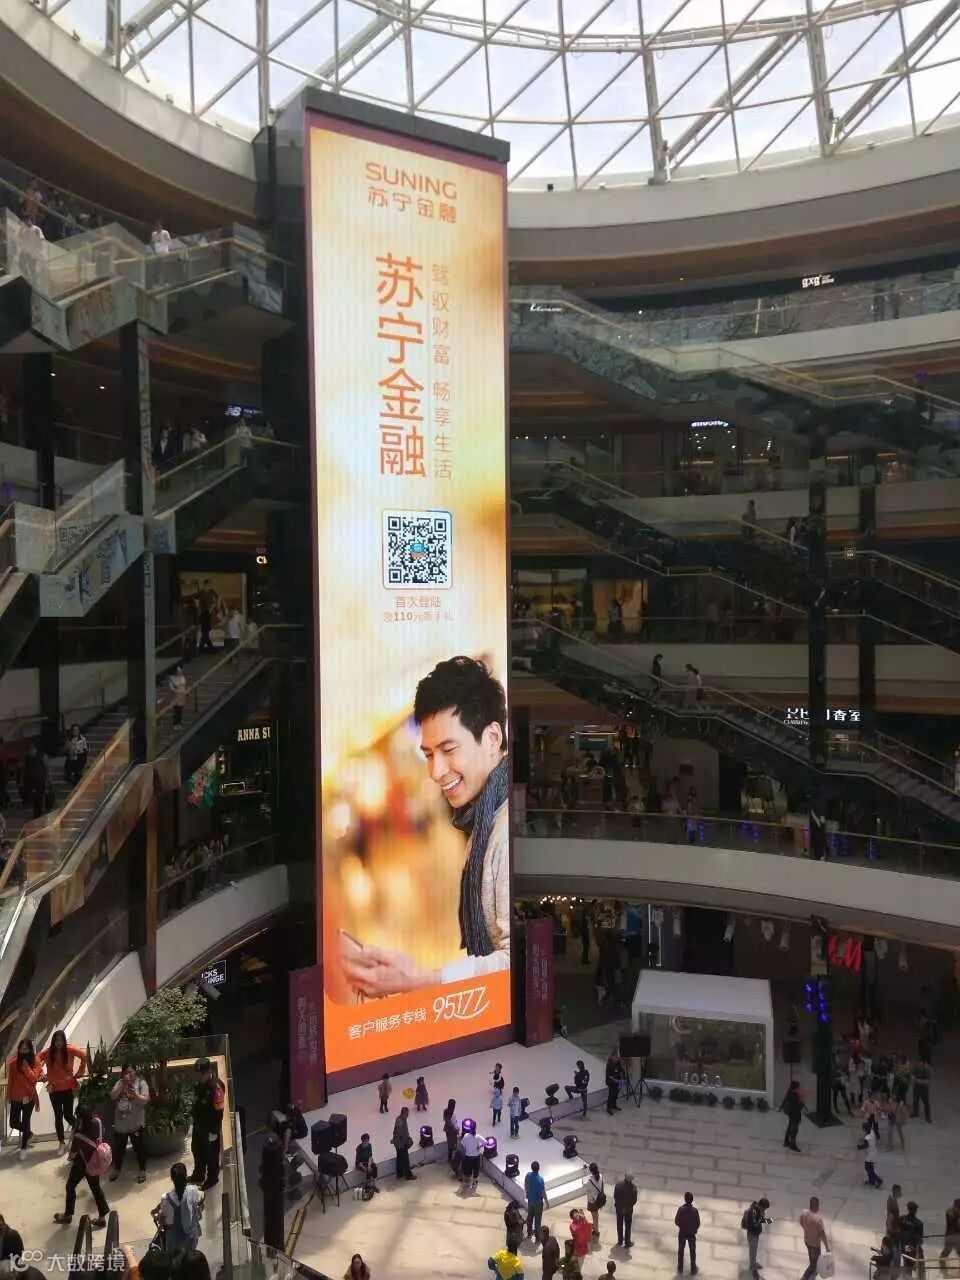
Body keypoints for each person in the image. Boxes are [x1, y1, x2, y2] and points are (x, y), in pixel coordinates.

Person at [339, 658, 510, 996]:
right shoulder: (481, 820)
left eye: (448, 750)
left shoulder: (502, 834)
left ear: (492, 738)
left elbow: (512, 963)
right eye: (429, 755)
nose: (436, 772)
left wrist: (420, 979)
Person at [54, 1104, 110, 1227]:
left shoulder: (79, 1135)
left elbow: (72, 1153)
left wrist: (71, 1155)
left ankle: (68, 1215)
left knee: (70, 1186)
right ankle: (102, 1217)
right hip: (96, 1161)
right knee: (96, 1188)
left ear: (79, 1117)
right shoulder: (97, 1122)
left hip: (82, 1163)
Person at [39, 1030, 85, 1155]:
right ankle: (61, 1143)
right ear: (53, 1041)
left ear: (64, 1041)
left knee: (68, 1115)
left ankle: (80, 1132)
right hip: (54, 1089)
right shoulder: (49, 1052)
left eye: (60, 1040)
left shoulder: (70, 1049)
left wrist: (81, 1070)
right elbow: (37, 1059)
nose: (58, 1043)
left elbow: (84, 1055)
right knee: (58, 1115)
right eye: (56, 1040)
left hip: (68, 1088)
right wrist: (41, 1074)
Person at [109, 1062, 150, 1183]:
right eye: (125, 1072)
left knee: (139, 1148)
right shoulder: (120, 1082)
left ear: (135, 1072)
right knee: (119, 1149)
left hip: (136, 1124)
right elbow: (112, 1096)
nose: (128, 1074)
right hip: (121, 1125)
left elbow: (144, 1101)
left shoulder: (141, 1083)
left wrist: (135, 1094)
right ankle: (117, 1169)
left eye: (130, 1072)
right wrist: (123, 1085)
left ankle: (142, 1170)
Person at [189, 1057, 224, 1190]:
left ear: (208, 1071)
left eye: (201, 1074)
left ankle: (212, 1179)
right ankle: (198, 1174)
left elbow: (219, 1113)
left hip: (210, 1129)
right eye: (197, 1074)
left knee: (211, 1156)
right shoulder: (199, 1084)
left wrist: (214, 1132)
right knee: (197, 1151)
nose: (199, 1077)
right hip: (199, 1126)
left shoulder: (216, 1088)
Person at [156, 1162, 203, 1255]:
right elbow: (199, 1209)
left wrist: (158, 1217)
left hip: (174, 1241)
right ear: (185, 1176)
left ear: (172, 1178)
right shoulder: (195, 1191)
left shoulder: (166, 1198)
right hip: (191, 1238)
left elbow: (165, 1222)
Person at [7, 1038, 40, 1159]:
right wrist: (9, 1096)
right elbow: (10, 1081)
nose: (23, 1050)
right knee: (13, 1122)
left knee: (26, 1121)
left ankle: (24, 1147)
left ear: (30, 1049)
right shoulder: (13, 1063)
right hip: (16, 1097)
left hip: (29, 1097)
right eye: (21, 1048)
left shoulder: (35, 1061)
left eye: (26, 1048)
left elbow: (34, 1079)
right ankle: (29, 1133)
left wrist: (26, 1067)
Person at [799, 1195, 830, 1280]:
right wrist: (827, 1247)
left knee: (812, 1260)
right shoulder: (818, 1219)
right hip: (815, 1245)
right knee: (814, 1265)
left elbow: (800, 1222)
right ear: (816, 1206)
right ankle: (805, 1277)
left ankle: (811, 1277)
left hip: (807, 1241)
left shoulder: (804, 1213)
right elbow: (822, 1234)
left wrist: (807, 1230)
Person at [743, 1198, 771, 1280]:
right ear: (761, 1206)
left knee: (754, 1252)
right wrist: (761, 1217)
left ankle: (754, 1263)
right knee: (752, 1252)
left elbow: (759, 1221)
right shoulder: (753, 1212)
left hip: (755, 1234)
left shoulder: (757, 1210)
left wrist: (766, 1220)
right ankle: (753, 1270)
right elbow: (753, 1224)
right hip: (752, 1234)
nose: (765, 1210)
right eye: (764, 1208)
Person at [675, 1190, 700, 1275]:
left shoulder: (681, 1209)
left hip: (682, 1232)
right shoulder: (695, 1210)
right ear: (692, 1200)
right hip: (691, 1233)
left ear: (685, 1199)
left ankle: (680, 1268)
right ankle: (693, 1268)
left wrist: (681, 1226)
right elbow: (698, 1223)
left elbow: (676, 1221)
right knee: (692, 1251)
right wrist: (694, 1229)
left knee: (681, 1250)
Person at [524, 1161, 548, 1240]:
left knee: (530, 1217)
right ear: (539, 1168)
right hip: (538, 1203)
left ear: (532, 1168)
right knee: (537, 1221)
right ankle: (537, 1237)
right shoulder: (540, 1180)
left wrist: (527, 1193)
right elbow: (543, 1192)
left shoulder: (528, 1175)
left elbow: (526, 1184)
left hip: (530, 1202)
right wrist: (547, 1202)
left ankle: (529, 1233)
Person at [613, 1172, 637, 1248]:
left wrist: (619, 1204)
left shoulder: (618, 1185)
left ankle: (620, 1240)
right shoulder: (633, 1188)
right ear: (631, 1179)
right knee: (628, 1226)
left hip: (619, 1209)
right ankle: (627, 1242)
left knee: (619, 1225)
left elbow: (615, 1196)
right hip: (628, 1210)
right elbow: (634, 1201)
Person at [392, 1105, 415, 1181]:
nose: (408, 1115)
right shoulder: (400, 1121)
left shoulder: (400, 1119)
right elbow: (399, 1133)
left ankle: (400, 1174)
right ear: (404, 1113)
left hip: (398, 1143)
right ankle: (408, 1175)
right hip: (401, 1144)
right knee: (405, 1159)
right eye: (407, 1114)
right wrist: (406, 1141)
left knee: (399, 1159)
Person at [900, 1201, 924, 1273]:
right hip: (912, 1248)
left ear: (908, 1209)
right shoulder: (919, 1223)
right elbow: (920, 1239)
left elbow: (898, 1231)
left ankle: (907, 1275)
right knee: (920, 1263)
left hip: (903, 1247)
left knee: (907, 1265)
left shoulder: (902, 1219)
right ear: (916, 1211)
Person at [781, 1079, 804, 1152]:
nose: (799, 1088)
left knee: (790, 1126)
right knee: (794, 1129)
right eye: (798, 1087)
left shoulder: (790, 1092)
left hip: (791, 1113)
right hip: (794, 1114)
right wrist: (801, 1103)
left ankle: (786, 1141)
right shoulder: (794, 1095)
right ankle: (793, 1144)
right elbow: (796, 1106)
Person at [859, 1121, 883, 1187]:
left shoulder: (867, 1138)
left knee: (868, 1169)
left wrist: (858, 1147)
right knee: (870, 1168)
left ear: (865, 1129)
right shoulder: (872, 1132)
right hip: (873, 1152)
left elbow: (865, 1146)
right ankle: (871, 1181)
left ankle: (879, 1180)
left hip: (870, 1155)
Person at [460, 1123, 482, 1192]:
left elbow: (462, 1144)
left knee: (467, 1171)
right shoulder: (478, 1136)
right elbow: (486, 1142)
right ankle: (474, 1183)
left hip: (468, 1157)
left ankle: (467, 1183)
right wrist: (479, 1146)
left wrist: (466, 1149)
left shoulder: (466, 1136)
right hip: (476, 1157)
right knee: (476, 1171)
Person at [585, 1163, 605, 1239]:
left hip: (592, 1202)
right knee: (596, 1216)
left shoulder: (589, 1182)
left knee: (595, 1217)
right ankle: (595, 1228)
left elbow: (587, 1187)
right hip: (599, 1200)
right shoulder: (601, 1176)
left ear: (590, 1171)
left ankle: (596, 1231)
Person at [887, 1186, 903, 1269]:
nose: (901, 1193)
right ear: (897, 1192)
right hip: (893, 1232)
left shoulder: (893, 1200)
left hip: (894, 1230)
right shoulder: (893, 1204)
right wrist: (891, 1231)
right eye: (900, 1192)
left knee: (895, 1252)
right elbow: (890, 1217)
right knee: (895, 1253)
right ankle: (895, 1269)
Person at [940, 1198, 960, 1264]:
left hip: (949, 1236)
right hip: (957, 1236)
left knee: (945, 1253)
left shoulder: (949, 1212)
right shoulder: (956, 1214)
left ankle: (942, 1267)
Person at [911, 1056, 931, 1122]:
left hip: (924, 1087)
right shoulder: (916, 1067)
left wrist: (918, 1080)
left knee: (926, 1102)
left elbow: (927, 1081)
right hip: (917, 1086)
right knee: (915, 1100)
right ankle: (915, 1112)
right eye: (918, 1062)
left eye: (920, 1062)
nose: (918, 1064)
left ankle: (928, 1116)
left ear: (923, 1062)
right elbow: (912, 1074)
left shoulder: (927, 1069)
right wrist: (913, 1077)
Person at [605, 1048, 621, 1115]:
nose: (617, 1058)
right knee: (611, 1095)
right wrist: (615, 1080)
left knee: (615, 1094)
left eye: (617, 1057)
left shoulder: (618, 1062)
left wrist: (619, 1079)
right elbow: (609, 1075)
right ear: (612, 1056)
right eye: (616, 1057)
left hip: (616, 1081)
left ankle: (614, 1105)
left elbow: (620, 1070)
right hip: (610, 1081)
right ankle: (608, 1108)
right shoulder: (609, 1064)